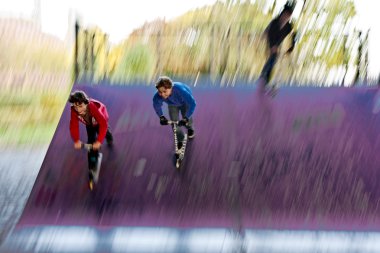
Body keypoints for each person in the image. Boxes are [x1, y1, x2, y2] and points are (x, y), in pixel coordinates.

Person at [68, 90, 113, 171]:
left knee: (104, 132)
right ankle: (92, 161)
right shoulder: (74, 110)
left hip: (100, 121)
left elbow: (103, 125)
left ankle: (109, 137)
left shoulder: (92, 107)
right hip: (89, 123)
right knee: (91, 141)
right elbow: (74, 125)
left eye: (80, 106)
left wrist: (99, 141)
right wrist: (76, 140)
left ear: (86, 103)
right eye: (76, 107)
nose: (78, 110)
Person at [259, 1, 297, 89]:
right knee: (273, 56)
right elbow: (269, 34)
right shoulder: (275, 22)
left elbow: (293, 36)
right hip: (269, 36)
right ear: (281, 14)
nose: (285, 18)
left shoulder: (289, 26)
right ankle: (263, 77)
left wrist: (291, 47)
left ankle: (265, 79)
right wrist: (272, 46)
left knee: (274, 57)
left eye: (288, 17)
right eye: (284, 16)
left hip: (277, 42)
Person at [152, 76, 196, 149]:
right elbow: (156, 105)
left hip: (185, 102)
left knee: (186, 118)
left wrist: (186, 118)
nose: (162, 94)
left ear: (171, 88)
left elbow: (192, 104)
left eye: (164, 91)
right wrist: (161, 116)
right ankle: (180, 138)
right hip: (172, 104)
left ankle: (190, 128)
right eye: (160, 92)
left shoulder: (181, 91)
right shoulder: (157, 96)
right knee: (174, 122)